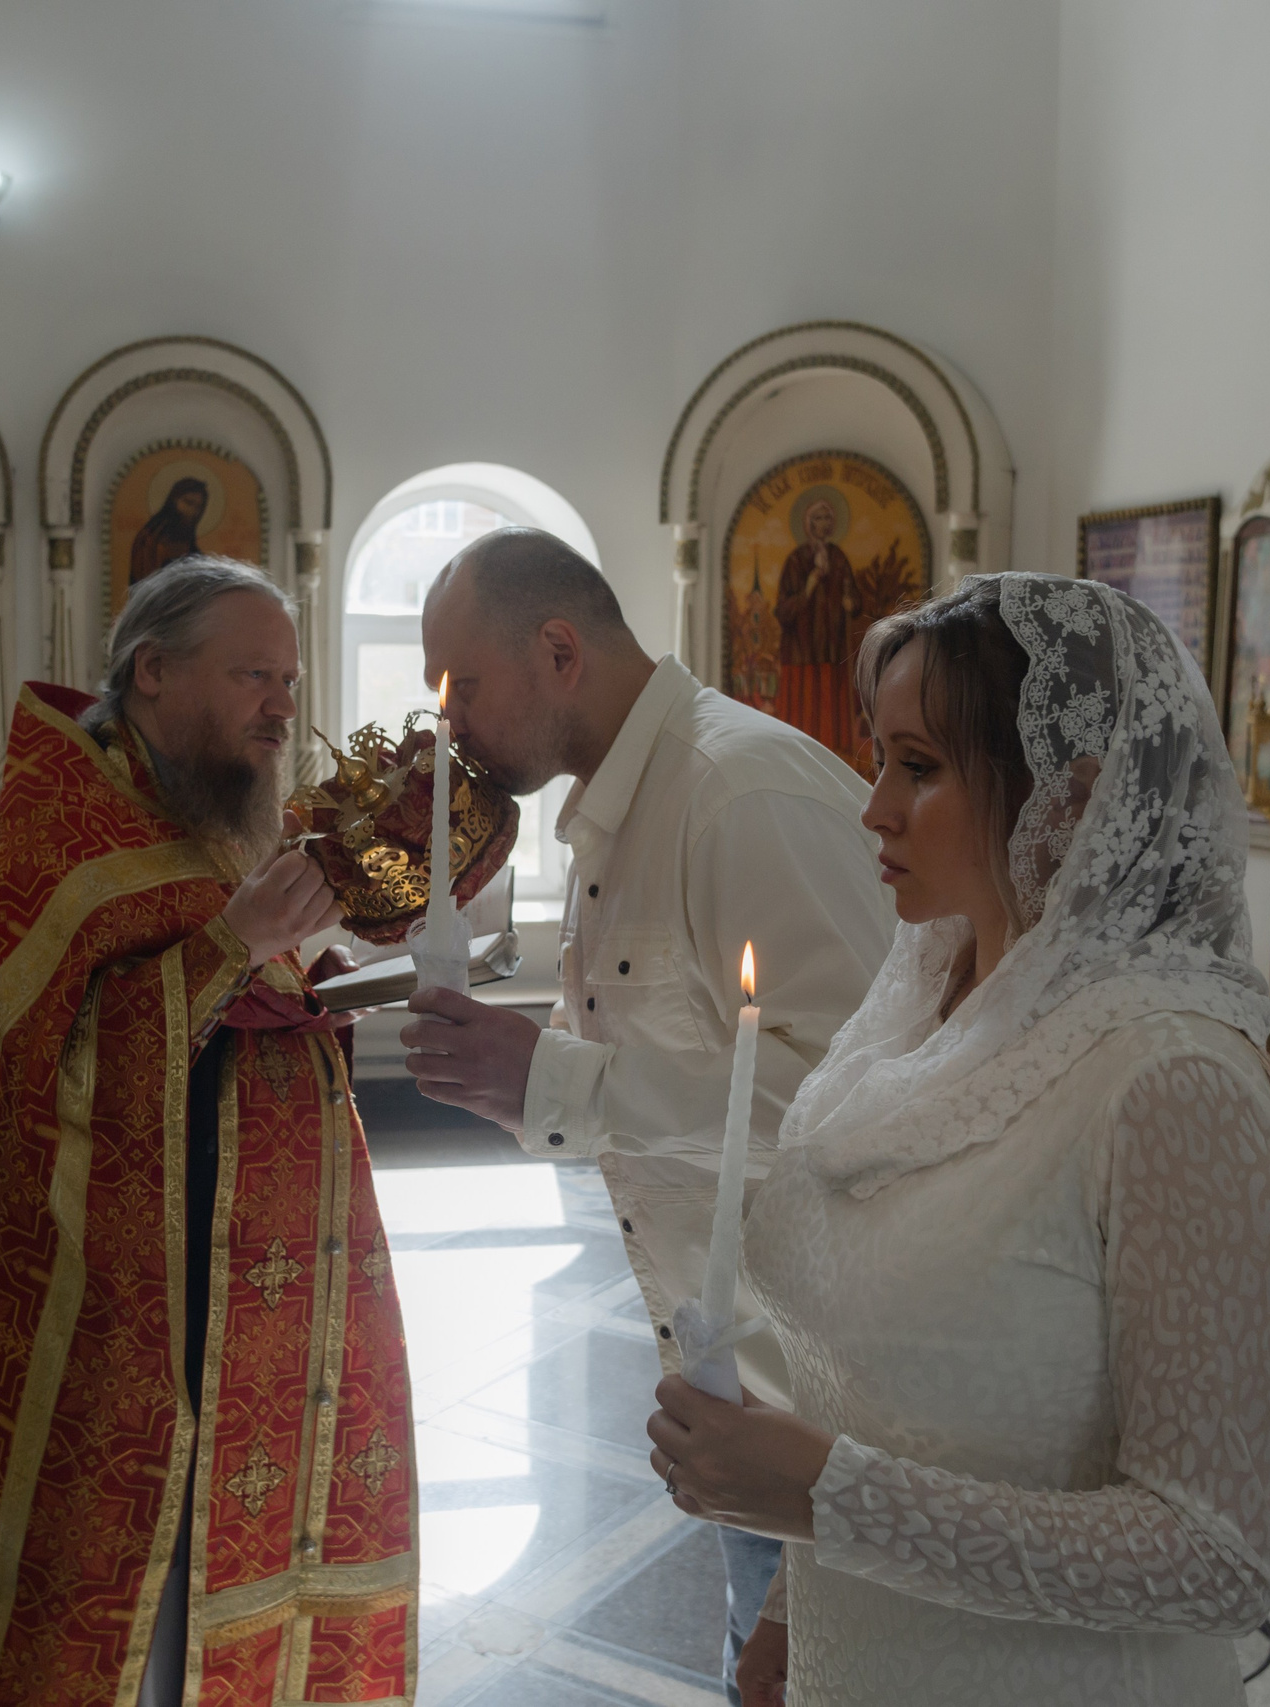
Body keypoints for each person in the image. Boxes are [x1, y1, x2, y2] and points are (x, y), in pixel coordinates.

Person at [647, 573, 1270, 1707]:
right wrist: (789, 1607)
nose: (874, 808)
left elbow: (1217, 1558)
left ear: (1071, 796)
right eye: (881, 759)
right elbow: (857, 1398)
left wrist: (826, 1499)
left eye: (920, 767)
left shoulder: (1169, 1083)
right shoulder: (915, 1013)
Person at [0, 558, 418, 1707]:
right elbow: (39, 1073)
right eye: (253, 676)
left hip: (254, 1275)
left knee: (225, 1550)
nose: (282, 708)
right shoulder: (60, 820)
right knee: (109, 1588)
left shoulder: (213, 813)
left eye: (290, 681)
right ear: (152, 669)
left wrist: (303, 977)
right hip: (110, 1305)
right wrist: (231, 949)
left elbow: (235, 980)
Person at [401, 528, 892, 1700]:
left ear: (558, 650)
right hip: (743, 1374)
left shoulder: (738, 794)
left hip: (841, 1395)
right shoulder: (623, 805)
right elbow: (677, 1051)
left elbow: (862, 1104)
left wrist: (555, 1083)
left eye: (462, 687)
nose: (448, 726)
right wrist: (525, 1080)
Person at [772, 497, 860, 759]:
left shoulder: (838, 558)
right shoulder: (796, 560)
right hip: (801, 649)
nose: (823, 524)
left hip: (833, 648)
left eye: (827, 518)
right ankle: (797, 755)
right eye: (818, 518)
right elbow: (783, 610)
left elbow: (854, 598)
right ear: (808, 524)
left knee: (832, 700)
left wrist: (851, 602)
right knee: (804, 700)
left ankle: (837, 754)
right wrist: (808, 587)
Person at [132, 475, 211, 586]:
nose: (193, 511)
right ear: (174, 499)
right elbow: (147, 577)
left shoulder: (185, 534)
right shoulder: (153, 534)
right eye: (188, 503)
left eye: (198, 507)